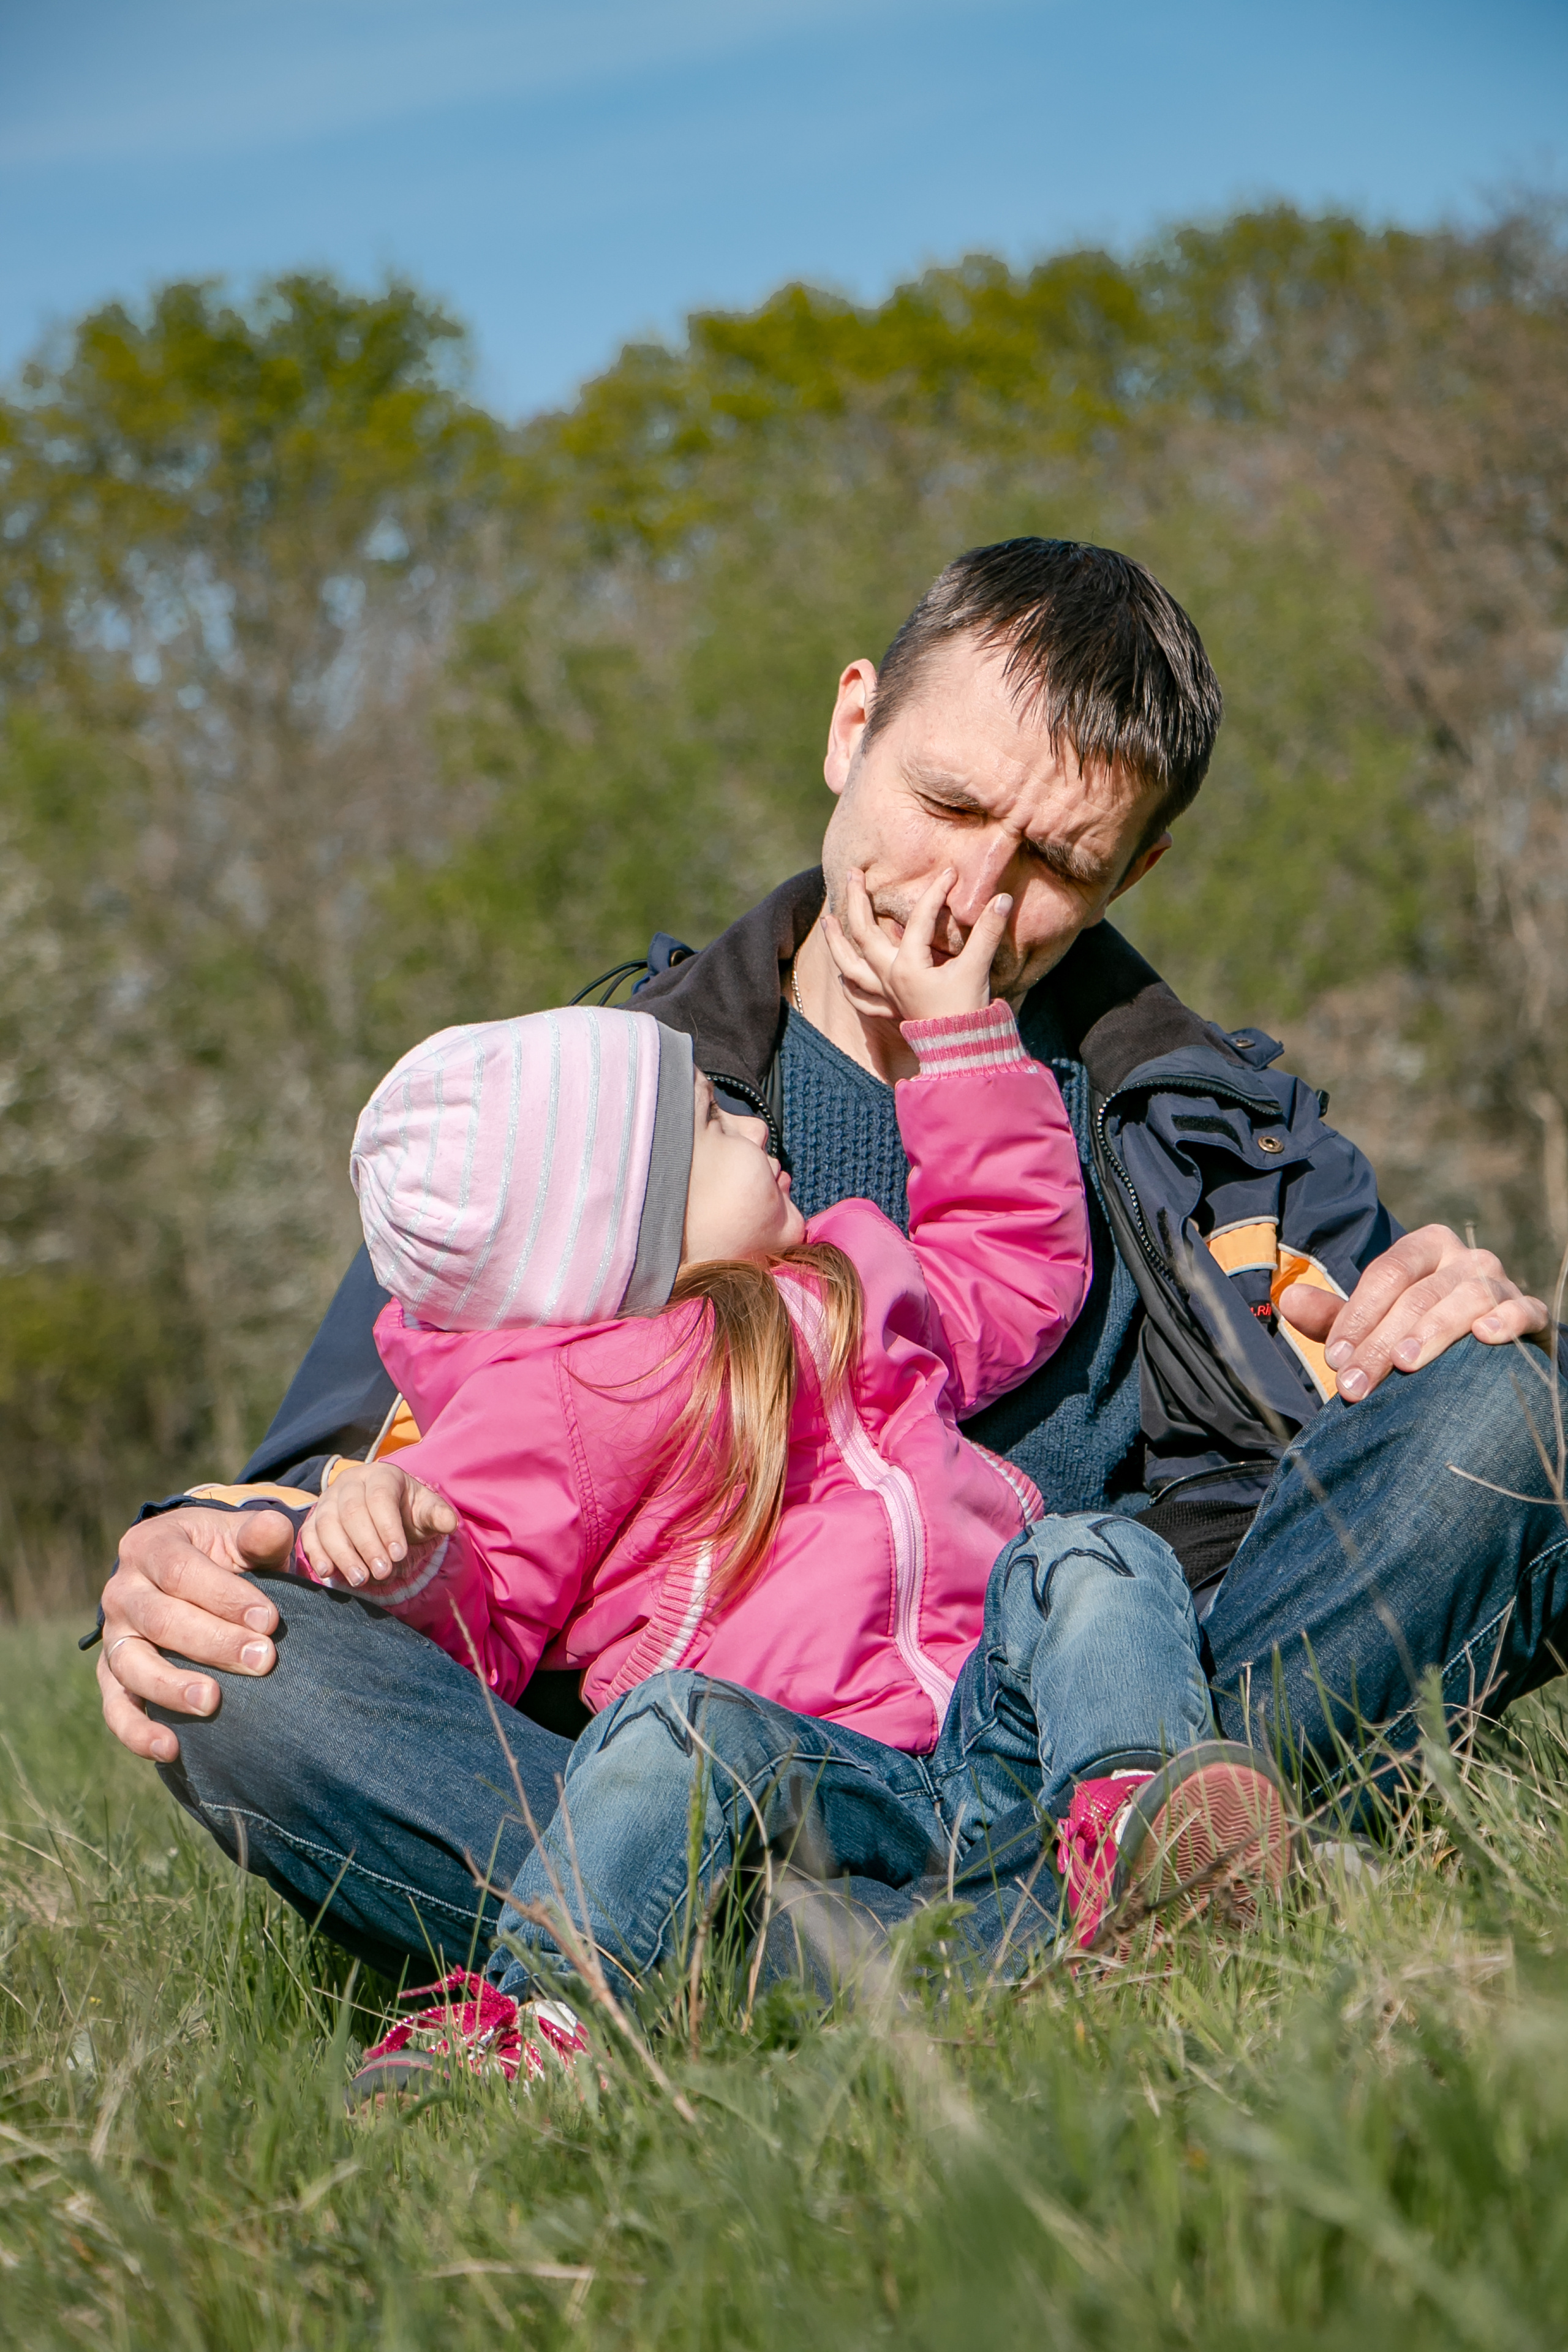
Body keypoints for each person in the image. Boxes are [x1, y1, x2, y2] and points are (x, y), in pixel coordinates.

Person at [89, 537, 1568, 1985]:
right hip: (703, 1764)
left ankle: (768, 1958)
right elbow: (370, 1473)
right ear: (850, 721)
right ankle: (1012, 1946)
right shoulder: (591, 1116)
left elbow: (1388, 1453)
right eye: (944, 800)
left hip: (1122, 1703)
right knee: (236, 1667)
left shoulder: (1220, 1130)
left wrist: (1464, 1335)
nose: (965, 895)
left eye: (1053, 862)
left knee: (1509, 1420)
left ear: (1138, 868)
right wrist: (213, 1538)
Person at [295, 869, 1292, 2056]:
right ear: (627, 1221)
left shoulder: (843, 1273)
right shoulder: (562, 1404)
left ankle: (1137, 1833)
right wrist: (409, 1550)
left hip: (997, 1718)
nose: (757, 1127)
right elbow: (491, 1617)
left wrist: (960, 1038)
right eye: (714, 1128)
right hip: (809, 1777)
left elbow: (1007, 1269)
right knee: (666, 1727)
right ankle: (548, 2016)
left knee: (1091, 1553)